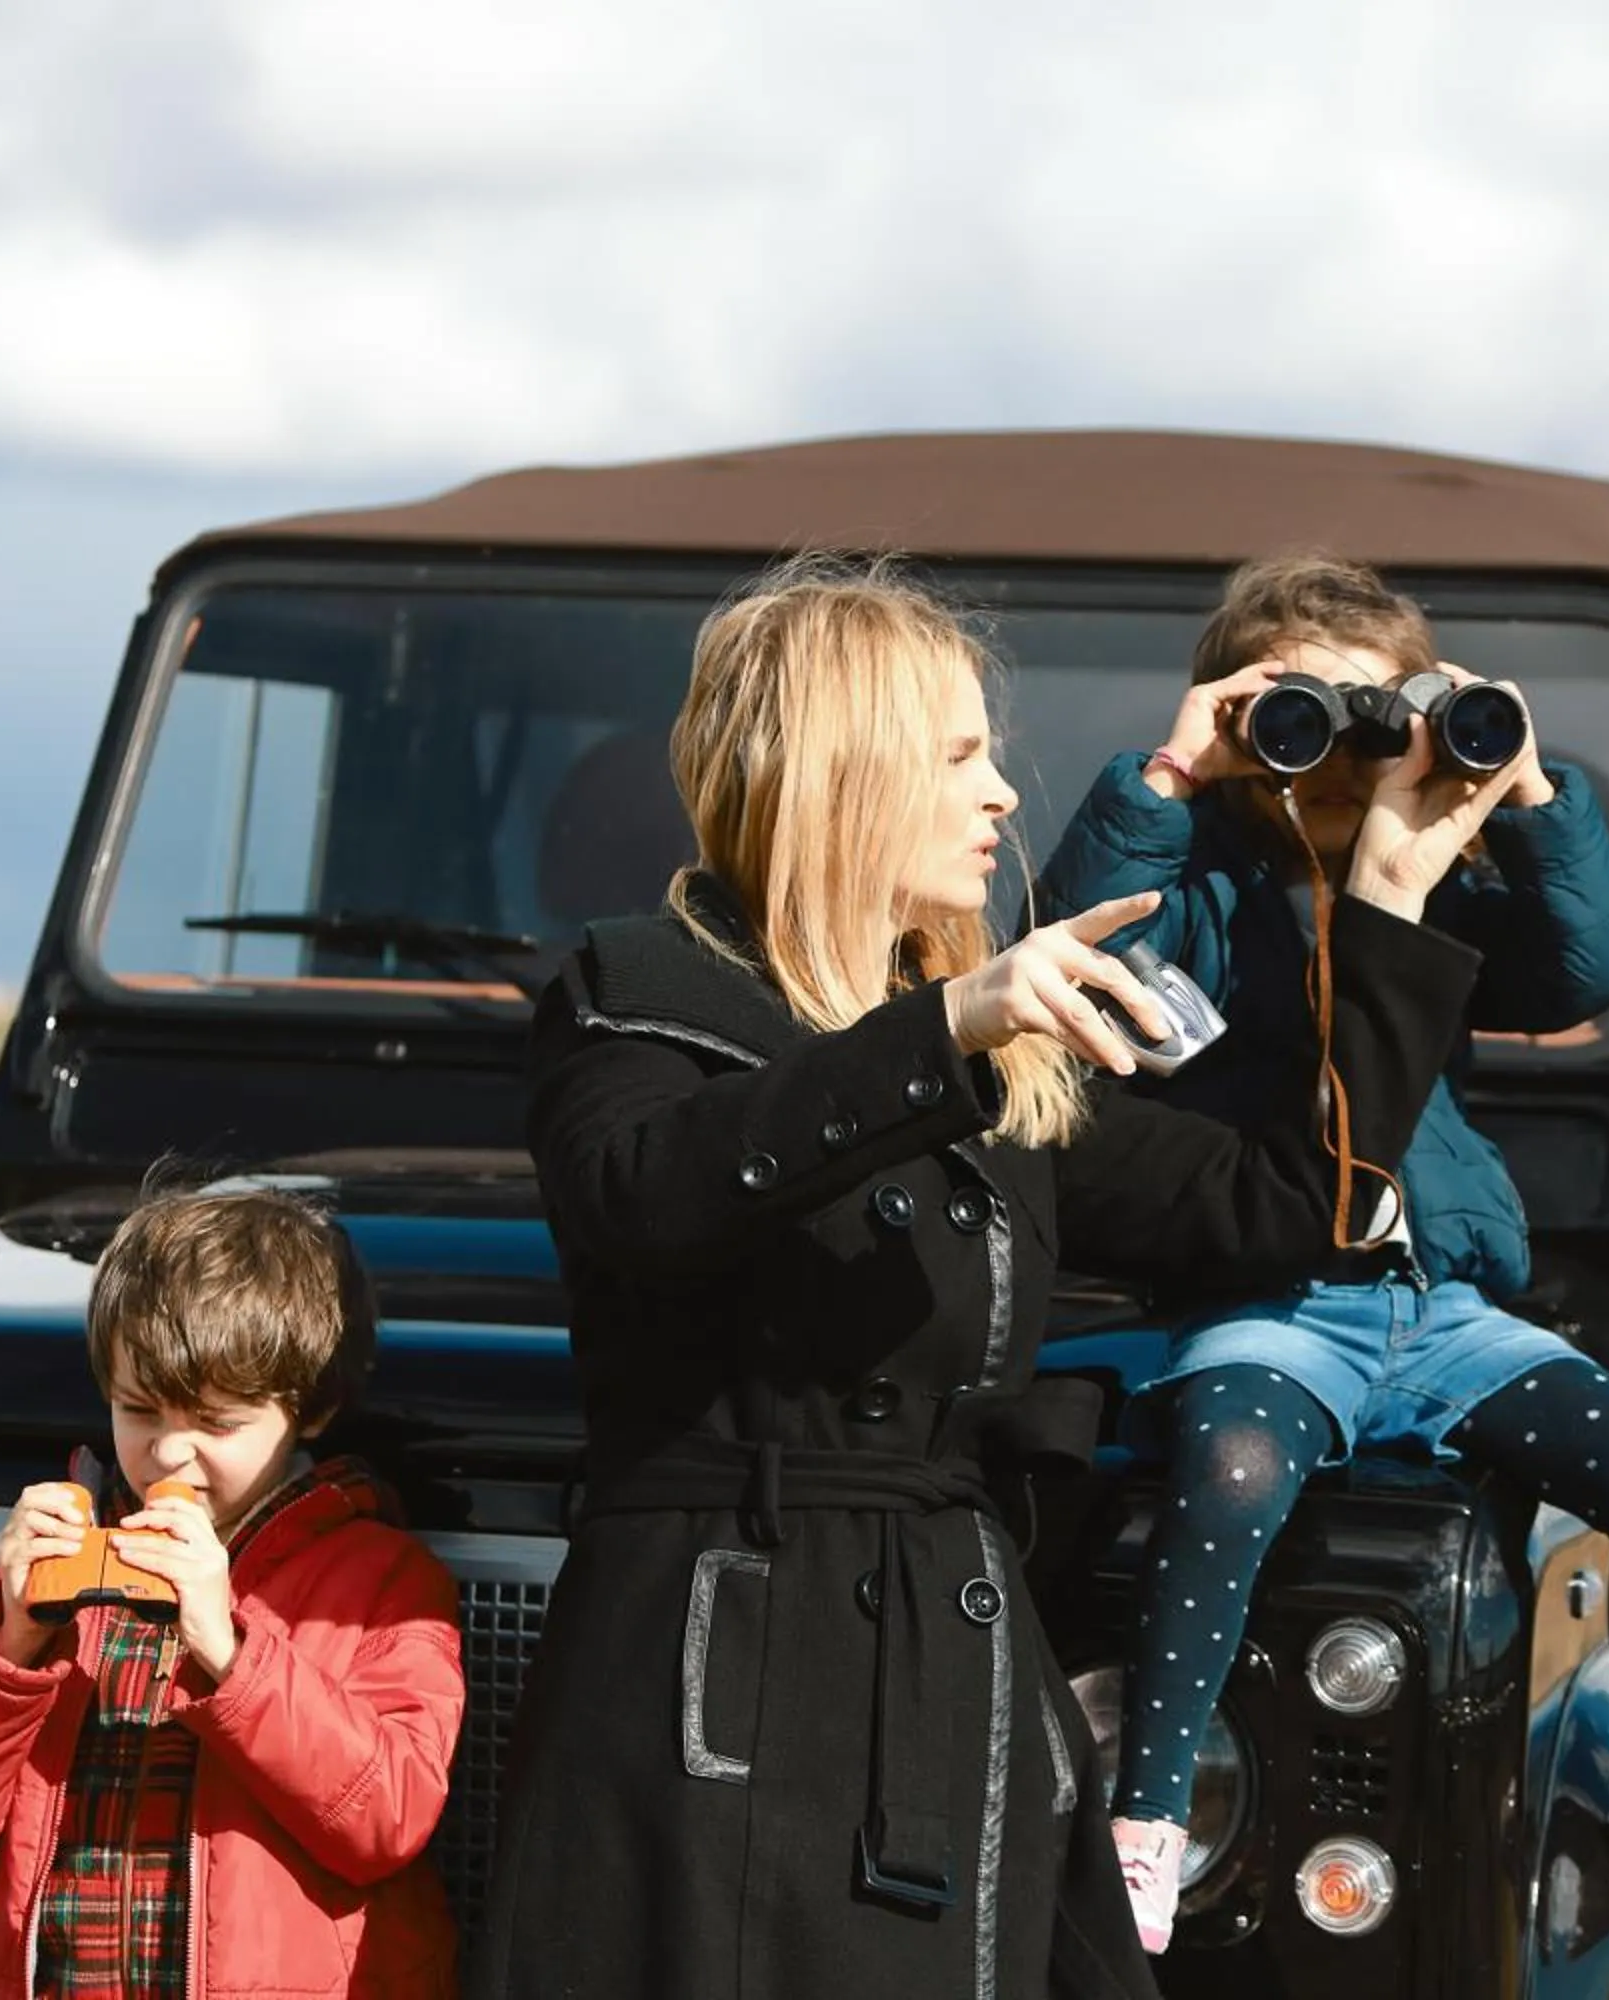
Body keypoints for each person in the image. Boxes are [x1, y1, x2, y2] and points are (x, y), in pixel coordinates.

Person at [468, 560, 1501, 2000]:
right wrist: (946, 1029)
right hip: (721, 1708)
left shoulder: (993, 1054)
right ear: (846, 773)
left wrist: (1388, 886)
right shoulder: (635, 994)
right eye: (961, 756)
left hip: (961, 1688)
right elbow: (650, 1194)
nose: (1005, 794)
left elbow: (1288, 1205)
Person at [1035, 554, 1609, 1949]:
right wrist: (1174, 773)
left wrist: (1527, 792)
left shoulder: (1438, 887)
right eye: (1301, 708)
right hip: (1275, 1303)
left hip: (1438, 1311)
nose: (1345, 744)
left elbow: (1590, 969)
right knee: (1231, 1463)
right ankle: (1148, 1821)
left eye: (1385, 711)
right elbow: (1069, 936)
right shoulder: (1192, 891)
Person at [0, 1185, 467, 2000]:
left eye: (217, 1423)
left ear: (310, 1410)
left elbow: (385, 1819)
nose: (170, 1453)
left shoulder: (378, 1581)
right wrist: (9, 1642)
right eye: (138, 1409)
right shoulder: (67, 1578)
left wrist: (229, 1651)